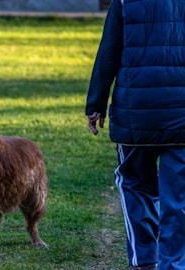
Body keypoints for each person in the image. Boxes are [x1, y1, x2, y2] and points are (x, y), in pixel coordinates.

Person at [85, 0, 185, 269]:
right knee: (178, 197)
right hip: (180, 112)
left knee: (135, 185)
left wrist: (96, 104)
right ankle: (174, 264)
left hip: (136, 112)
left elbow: (109, 50)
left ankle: (144, 261)